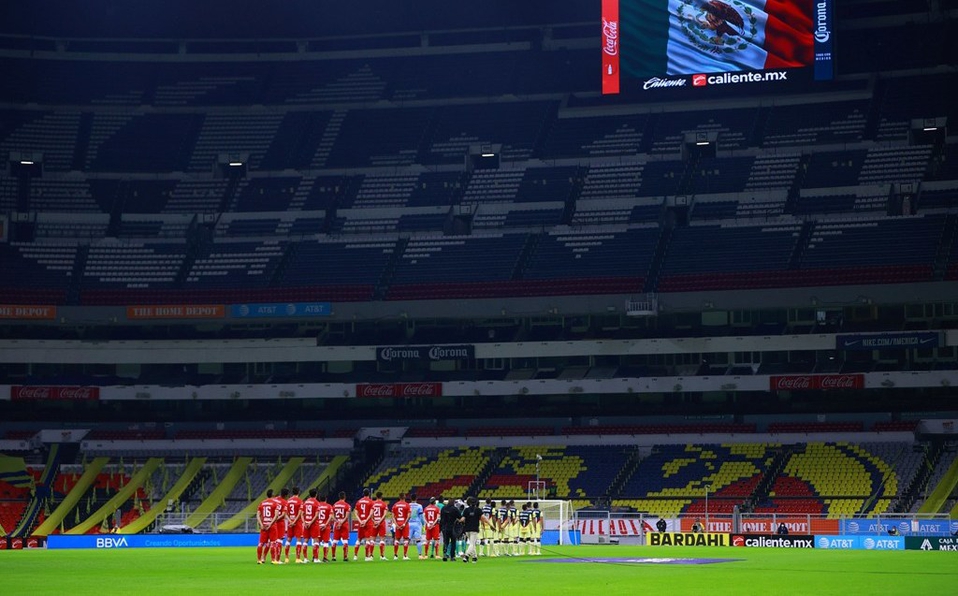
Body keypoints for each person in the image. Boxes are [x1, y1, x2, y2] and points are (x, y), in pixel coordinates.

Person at [256, 489, 280, 564]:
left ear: (266, 495)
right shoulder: (275, 503)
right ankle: (273, 560)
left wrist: (261, 524)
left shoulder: (262, 503)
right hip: (272, 526)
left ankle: (259, 560)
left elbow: (258, 515)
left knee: (261, 543)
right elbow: (276, 515)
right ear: (273, 495)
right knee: (273, 543)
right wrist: (270, 524)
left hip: (264, 526)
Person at [284, 486, 305, 563]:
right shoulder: (300, 501)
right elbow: (300, 513)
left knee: (288, 539)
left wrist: (290, 521)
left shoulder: (288, 501)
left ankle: (286, 558)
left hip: (290, 522)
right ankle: (298, 558)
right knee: (299, 539)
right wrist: (294, 521)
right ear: (298, 492)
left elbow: (285, 513)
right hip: (297, 522)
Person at [460, 496, 482, 563]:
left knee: (472, 544)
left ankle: (474, 557)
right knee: (472, 544)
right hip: (474, 529)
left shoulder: (466, 510)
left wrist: (458, 521)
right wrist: (490, 525)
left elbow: (463, 519)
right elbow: (484, 518)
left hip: (467, 529)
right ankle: (466, 556)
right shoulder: (478, 510)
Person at [331, 491, 352, 561]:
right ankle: (345, 557)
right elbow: (346, 517)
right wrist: (341, 522)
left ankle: (333, 557)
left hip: (337, 524)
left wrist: (337, 521)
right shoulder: (347, 505)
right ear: (345, 497)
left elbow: (332, 516)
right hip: (344, 524)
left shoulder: (334, 505)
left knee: (335, 541)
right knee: (345, 541)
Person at [354, 488, 374, 561]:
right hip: (368, 522)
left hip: (360, 522)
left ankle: (355, 556)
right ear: (369, 493)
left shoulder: (359, 502)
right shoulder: (371, 502)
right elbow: (371, 513)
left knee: (358, 539)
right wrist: (366, 521)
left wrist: (360, 521)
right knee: (368, 539)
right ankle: (367, 557)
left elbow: (355, 513)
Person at [301, 489, 320, 563]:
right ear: (316, 494)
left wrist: (304, 522)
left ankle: (305, 559)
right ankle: (315, 559)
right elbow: (316, 515)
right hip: (313, 524)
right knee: (316, 541)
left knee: (305, 540)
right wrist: (310, 523)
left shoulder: (305, 503)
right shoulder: (316, 503)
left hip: (306, 523)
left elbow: (302, 514)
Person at [391, 492, 412, 560]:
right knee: (406, 539)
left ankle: (395, 555)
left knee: (397, 539)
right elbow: (409, 516)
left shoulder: (395, 505)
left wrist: (396, 524)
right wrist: (404, 523)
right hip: (404, 523)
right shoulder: (407, 505)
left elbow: (393, 516)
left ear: (399, 497)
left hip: (398, 523)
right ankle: (405, 556)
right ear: (404, 497)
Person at [370, 491, 389, 560]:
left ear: (376, 496)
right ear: (381, 496)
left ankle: (371, 556)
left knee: (372, 539)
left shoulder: (373, 504)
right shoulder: (384, 504)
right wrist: (379, 521)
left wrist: (374, 521)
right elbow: (384, 514)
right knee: (382, 539)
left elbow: (370, 514)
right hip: (381, 523)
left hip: (374, 523)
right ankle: (382, 556)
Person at [440, 497, 460, 561]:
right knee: (453, 542)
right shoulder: (455, 509)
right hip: (452, 528)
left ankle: (445, 554)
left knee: (446, 541)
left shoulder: (443, 508)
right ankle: (452, 556)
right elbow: (460, 517)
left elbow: (441, 518)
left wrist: (441, 528)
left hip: (445, 527)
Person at [408, 493, 424, 560]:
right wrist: (423, 524)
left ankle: (405, 555)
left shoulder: (408, 505)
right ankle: (420, 555)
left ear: (410, 499)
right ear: (416, 498)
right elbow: (421, 517)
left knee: (407, 540)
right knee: (418, 540)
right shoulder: (419, 506)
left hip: (409, 523)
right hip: (417, 524)